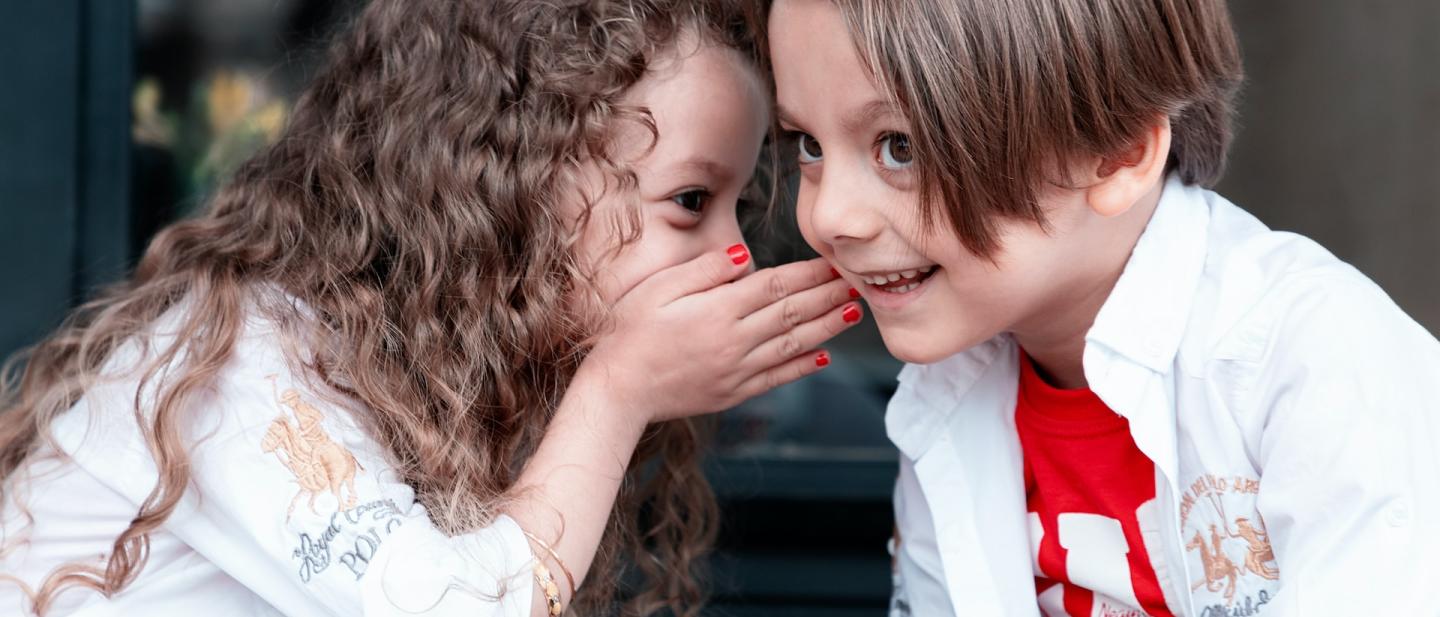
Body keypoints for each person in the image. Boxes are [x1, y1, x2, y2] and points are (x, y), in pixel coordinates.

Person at [0, 1, 864, 615]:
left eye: (736, 211)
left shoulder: (447, 373)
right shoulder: (240, 358)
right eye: (688, 201)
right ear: (515, 183)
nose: (727, 255)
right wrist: (619, 388)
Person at [758, 0, 1440, 614]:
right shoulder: (946, 398)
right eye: (809, 145)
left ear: (1118, 155)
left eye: (898, 147)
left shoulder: (1318, 361)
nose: (829, 215)